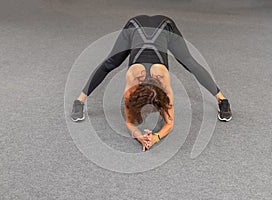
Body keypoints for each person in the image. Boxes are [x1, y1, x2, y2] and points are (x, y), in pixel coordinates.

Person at [71, 15, 232, 151]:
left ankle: (222, 99)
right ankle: (79, 101)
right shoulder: (131, 82)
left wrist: (155, 137)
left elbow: (169, 123)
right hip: (134, 26)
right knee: (110, 63)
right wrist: (139, 136)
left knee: (189, 62)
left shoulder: (164, 83)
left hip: (165, 26)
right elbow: (129, 121)